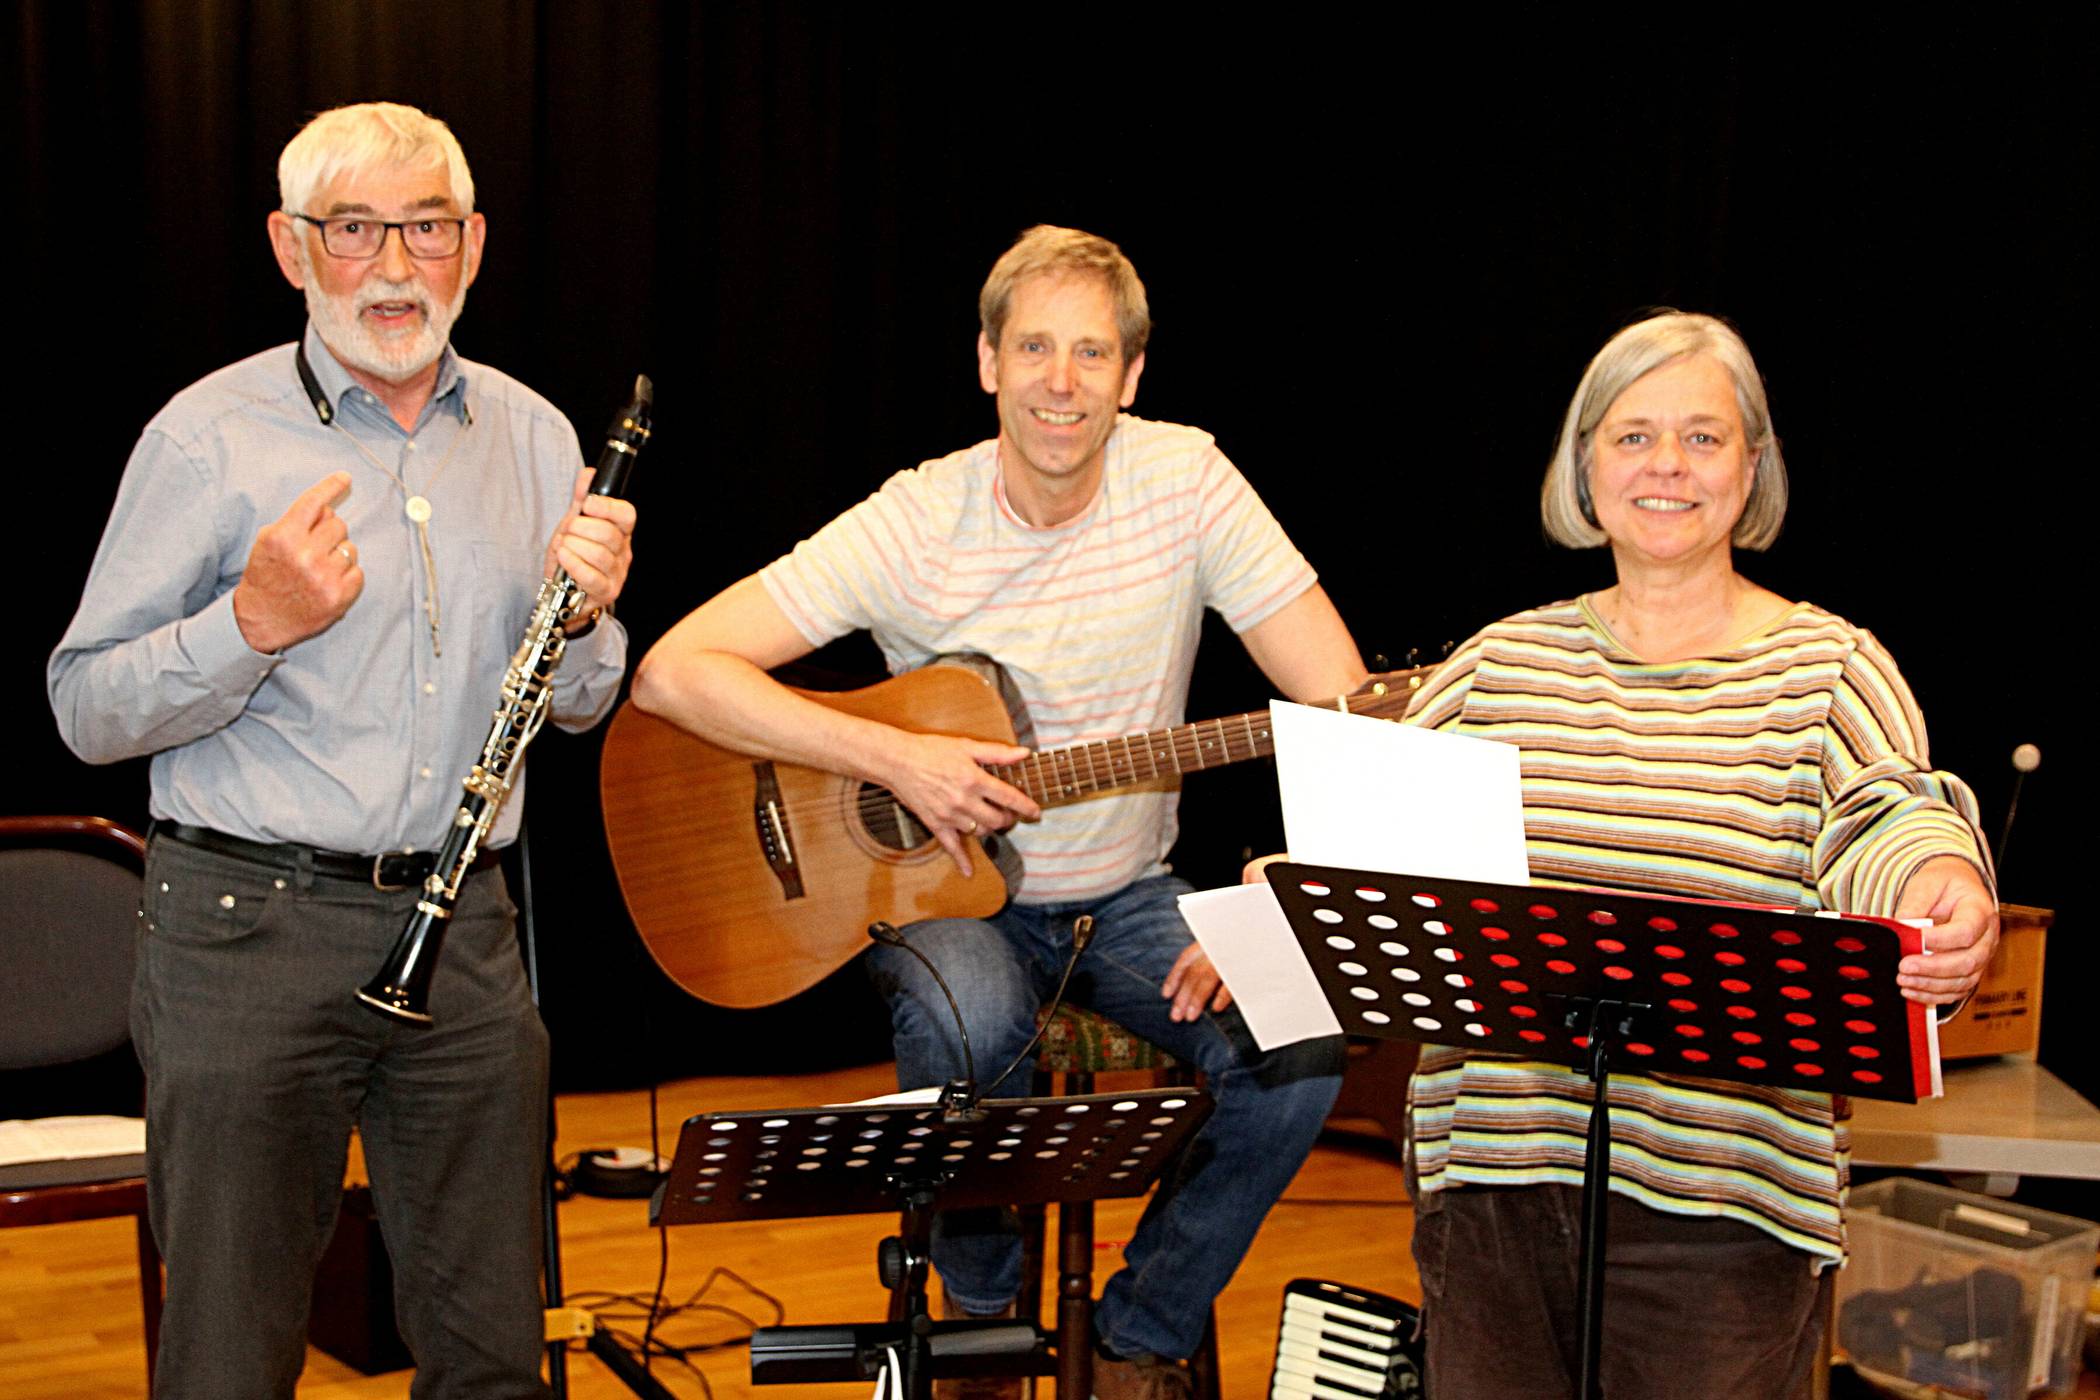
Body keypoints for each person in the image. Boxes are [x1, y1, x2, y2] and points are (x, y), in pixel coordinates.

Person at [631, 225, 1365, 1399]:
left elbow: (1344, 699)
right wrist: (891, 758)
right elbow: (675, 671)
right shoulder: (917, 519)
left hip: (1128, 899)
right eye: (1034, 347)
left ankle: (1137, 1333)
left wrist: (1291, 879)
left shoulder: (1188, 482)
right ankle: (982, 1323)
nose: (1060, 383)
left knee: (1304, 1041)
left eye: (1090, 354)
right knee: (973, 1022)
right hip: (942, 901)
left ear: (1132, 377)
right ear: (987, 361)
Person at [47, 102, 636, 1399]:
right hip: (247, 938)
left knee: (493, 1353)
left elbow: (582, 700)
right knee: (229, 1354)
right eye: (352, 227)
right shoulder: (205, 438)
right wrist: (251, 623)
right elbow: (85, 708)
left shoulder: (537, 438)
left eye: (425, 227)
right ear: (288, 246)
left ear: (472, 244)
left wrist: (592, 622)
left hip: (466, 942)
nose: (390, 265)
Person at [1394, 312, 1996, 1398]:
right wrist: (1295, 884)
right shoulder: (1493, 666)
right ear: (1584, 465)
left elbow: (1891, 817)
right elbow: (1386, 849)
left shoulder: (1832, 670)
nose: (1665, 465)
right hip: (1493, 1183)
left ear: (1753, 466)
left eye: (1703, 438)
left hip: (1724, 1205)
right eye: (1630, 437)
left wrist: (1936, 884)